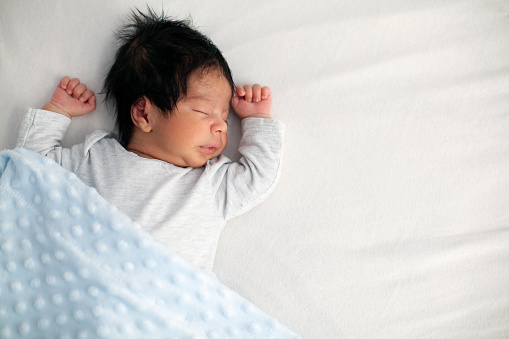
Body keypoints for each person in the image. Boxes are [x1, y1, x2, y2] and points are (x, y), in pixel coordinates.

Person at [16, 9, 284, 276]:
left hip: (165, 306)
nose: (221, 126)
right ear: (144, 113)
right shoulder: (93, 158)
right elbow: (30, 168)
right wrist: (57, 110)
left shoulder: (211, 182)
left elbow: (258, 177)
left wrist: (257, 119)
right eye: (204, 112)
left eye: (225, 117)